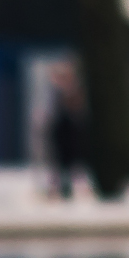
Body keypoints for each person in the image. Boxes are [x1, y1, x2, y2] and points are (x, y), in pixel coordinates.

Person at [45, 70, 87, 200]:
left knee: (68, 171)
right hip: (63, 144)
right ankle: (62, 191)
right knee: (62, 171)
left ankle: (65, 191)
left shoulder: (70, 103)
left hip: (69, 144)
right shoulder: (58, 101)